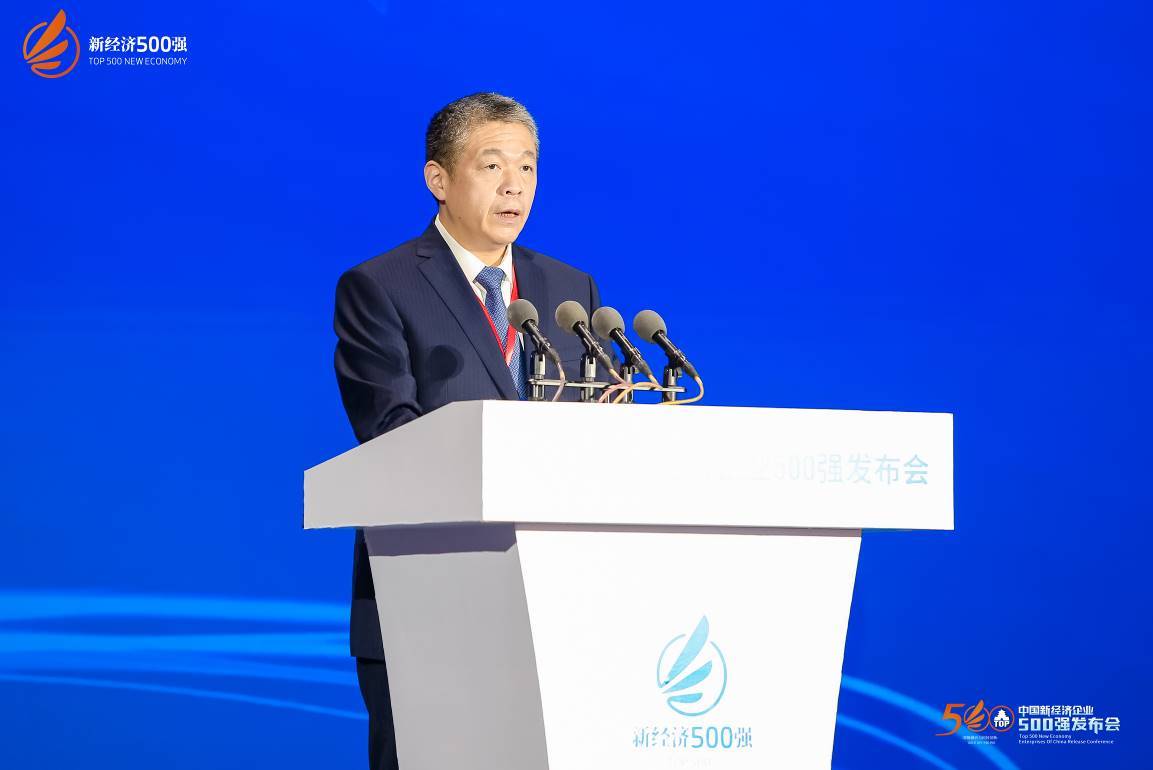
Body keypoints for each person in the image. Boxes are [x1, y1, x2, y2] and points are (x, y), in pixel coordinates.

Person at [332, 92, 606, 770]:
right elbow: (390, 429)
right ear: (438, 178)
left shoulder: (570, 292)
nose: (515, 185)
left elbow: (599, 426)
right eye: (492, 165)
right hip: (425, 598)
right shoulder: (379, 286)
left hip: (555, 604)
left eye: (527, 166)